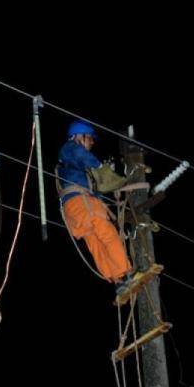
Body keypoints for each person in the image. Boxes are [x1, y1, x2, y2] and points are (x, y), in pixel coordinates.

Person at [56, 120, 135, 293]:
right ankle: (127, 272)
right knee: (107, 233)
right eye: (90, 138)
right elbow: (83, 156)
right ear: (79, 136)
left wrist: (103, 179)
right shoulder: (71, 148)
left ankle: (118, 280)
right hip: (82, 203)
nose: (92, 142)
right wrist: (101, 168)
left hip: (73, 210)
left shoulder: (69, 164)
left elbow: (94, 186)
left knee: (96, 243)